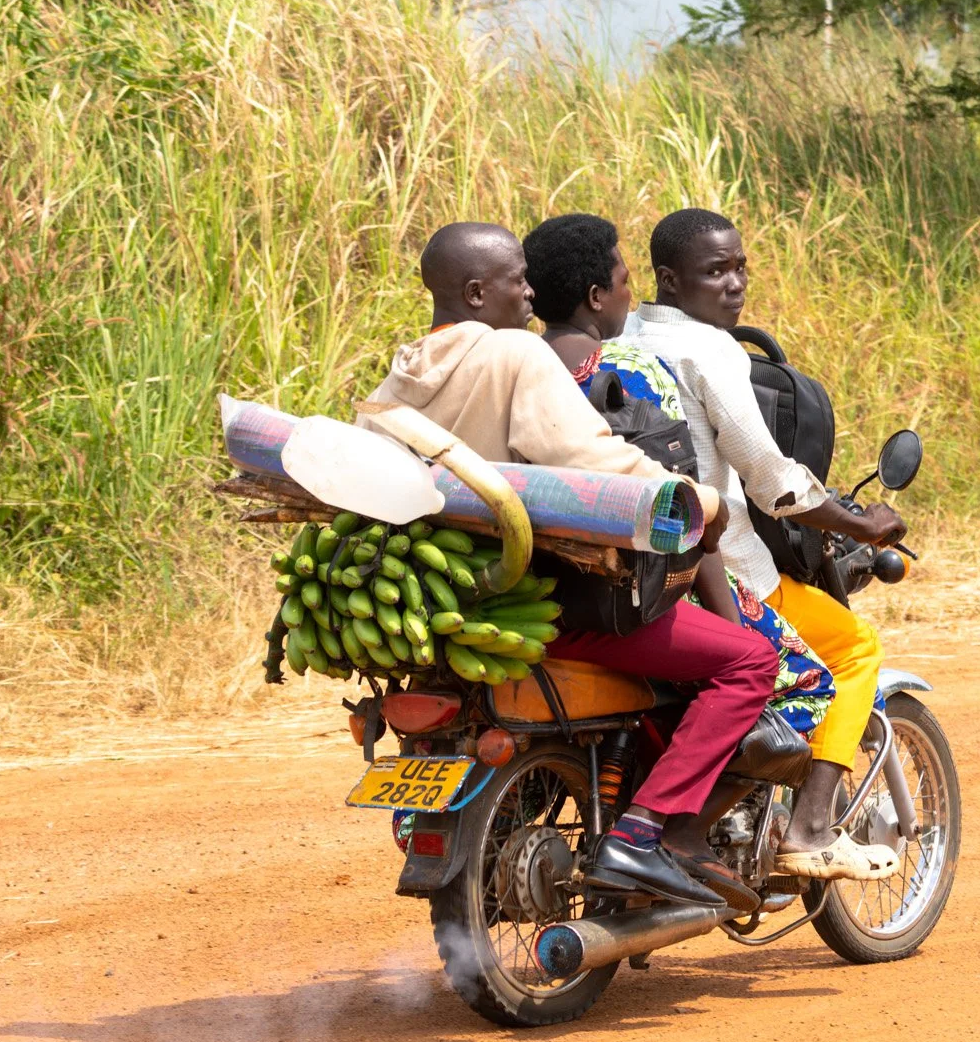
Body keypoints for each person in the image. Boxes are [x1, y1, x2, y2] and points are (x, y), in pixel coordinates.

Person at [362, 221, 778, 910]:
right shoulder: (513, 354)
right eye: (516, 280)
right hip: (544, 608)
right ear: (476, 292)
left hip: (447, 609)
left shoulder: (399, 377)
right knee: (749, 661)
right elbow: (593, 459)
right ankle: (644, 834)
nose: (530, 294)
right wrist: (699, 502)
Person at [621, 207, 907, 881]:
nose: (735, 284)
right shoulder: (712, 351)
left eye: (741, 268)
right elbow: (771, 478)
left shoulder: (622, 334)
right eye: (716, 271)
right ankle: (810, 828)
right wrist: (861, 523)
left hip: (633, 566)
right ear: (669, 278)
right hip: (723, 570)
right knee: (853, 649)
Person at [521, 213, 843, 733]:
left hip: (544, 584)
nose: (631, 296)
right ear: (596, 297)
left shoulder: (519, 364)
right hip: (645, 585)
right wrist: (732, 630)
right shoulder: (636, 371)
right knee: (807, 682)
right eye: (625, 282)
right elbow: (685, 506)